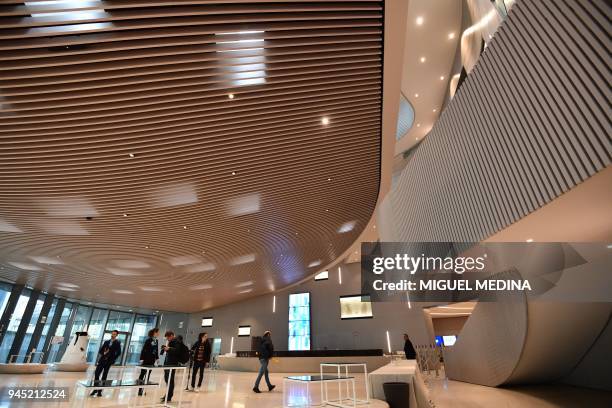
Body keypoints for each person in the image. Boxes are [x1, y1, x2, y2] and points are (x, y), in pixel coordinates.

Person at [90, 330, 122, 397]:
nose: (112, 335)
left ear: (116, 335)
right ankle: (95, 388)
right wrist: (104, 353)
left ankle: (100, 391)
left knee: (104, 376)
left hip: (109, 361)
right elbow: (101, 351)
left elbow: (119, 352)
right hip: (102, 360)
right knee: (97, 373)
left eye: (114, 334)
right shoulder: (106, 342)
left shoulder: (117, 343)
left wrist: (113, 358)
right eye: (112, 334)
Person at [160, 330, 180, 403]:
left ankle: (168, 396)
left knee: (170, 380)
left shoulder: (177, 341)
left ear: (171, 335)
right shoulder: (171, 341)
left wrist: (169, 348)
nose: (167, 339)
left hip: (172, 363)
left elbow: (177, 351)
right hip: (167, 363)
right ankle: (167, 395)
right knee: (167, 379)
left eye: (168, 338)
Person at [138, 328, 159, 396]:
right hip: (146, 360)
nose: (158, 333)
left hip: (152, 361)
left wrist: (157, 358)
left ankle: (144, 389)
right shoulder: (148, 340)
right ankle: (139, 390)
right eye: (157, 332)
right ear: (154, 333)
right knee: (142, 374)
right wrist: (142, 359)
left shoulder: (156, 341)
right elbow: (144, 349)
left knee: (148, 375)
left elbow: (156, 350)